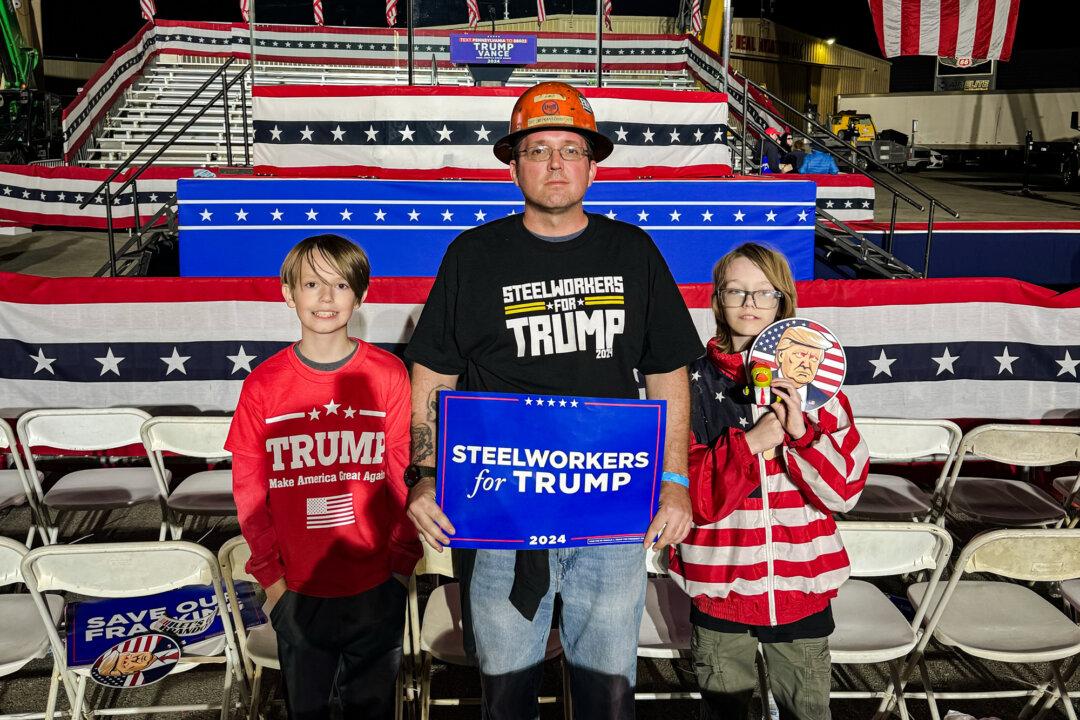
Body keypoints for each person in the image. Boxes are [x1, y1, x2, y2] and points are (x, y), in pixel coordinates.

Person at [403, 81, 704, 720]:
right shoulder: (472, 255)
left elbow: (667, 373)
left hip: (610, 504)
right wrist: (425, 474)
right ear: (514, 164)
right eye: (539, 150)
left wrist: (674, 478)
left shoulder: (633, 251)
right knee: (507, 690)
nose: (556, 164)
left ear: (593, 165)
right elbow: (431, 374)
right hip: (498, 507)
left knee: (607, 689)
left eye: (570, 149)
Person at [668, 242, 869, 720]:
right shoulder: (690, 384)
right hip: (721, 585)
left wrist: (801, 435)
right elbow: (689, 495)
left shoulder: (820, 388)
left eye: (764, 292)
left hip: (803, 585)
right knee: (726, 710)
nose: (750, 304)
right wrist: (751, 442)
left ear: (785, 301)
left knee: (807, 711)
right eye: (736, 291)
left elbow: (845, 492)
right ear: (718, 300)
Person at [226, 234, 421, 720]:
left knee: (372, 708)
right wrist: (272, 582)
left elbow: (402, 476)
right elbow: (250, 493)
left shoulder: (389, 374)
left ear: (361, 295)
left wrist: (399, 566)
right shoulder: (264, 384)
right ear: (288, 293)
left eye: (340, 285)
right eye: (312, 284)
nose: (327, 297)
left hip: (376, 582)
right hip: (298, 586)